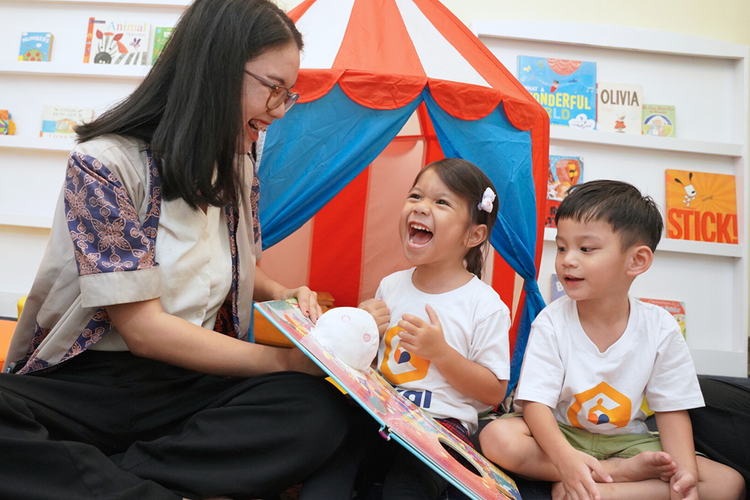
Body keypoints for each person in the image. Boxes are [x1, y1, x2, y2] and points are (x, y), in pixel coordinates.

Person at [0, 1, 363, 499]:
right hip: (93, 381)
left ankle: (99, 477)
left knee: (318, 409)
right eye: (273, 90)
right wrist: (284, 361)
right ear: (213, 68)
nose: (279, 111)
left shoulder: (238, 169)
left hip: (189, 379)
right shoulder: (103, 164)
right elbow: (144, 330)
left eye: (288, 94)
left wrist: (283, 292)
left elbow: (231, 267)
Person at [478, 180, 746, 500]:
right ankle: (614, 474)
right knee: (497, 437)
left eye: (586, 249)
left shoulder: (660, 327)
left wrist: (685, 475)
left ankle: (603, 492)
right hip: (562, 436)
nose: (567, 260)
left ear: (636, 261)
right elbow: (536, 406)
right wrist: (566, 462)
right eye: (562, 247)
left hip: (629, 441)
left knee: (728, 483)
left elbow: (672, 411)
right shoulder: (551, 322)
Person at [337, 158, 511, 500]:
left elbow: (494, 393)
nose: (421, 207)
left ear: (474, 235)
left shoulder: (485, 305)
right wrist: (361, 327)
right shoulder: (390, 285)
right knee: (334, 464)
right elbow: (369, 366)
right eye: (416, 196)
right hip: (380, 415)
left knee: (409, 485)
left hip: (441, 429)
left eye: (441, 202)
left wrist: (441, 354)